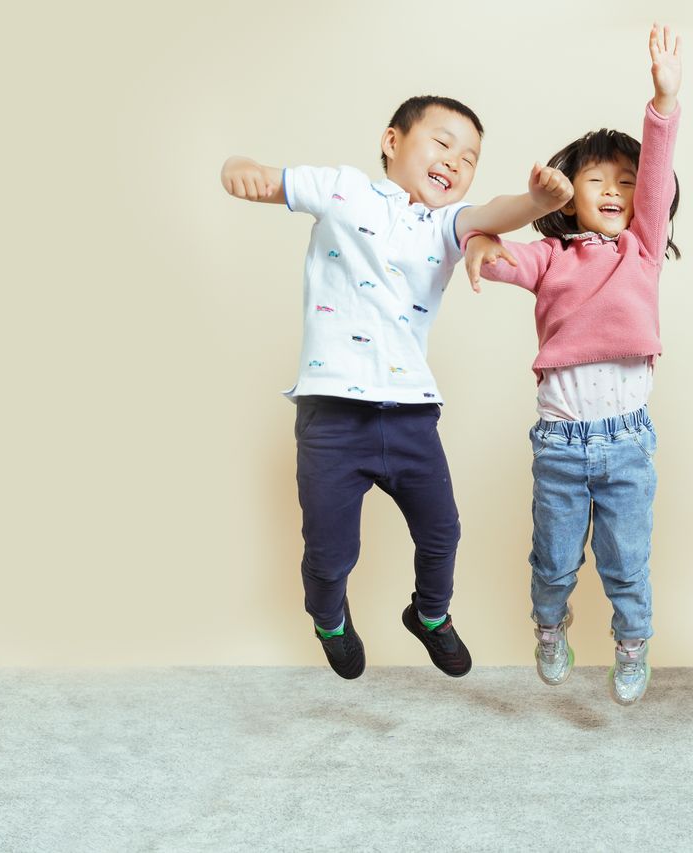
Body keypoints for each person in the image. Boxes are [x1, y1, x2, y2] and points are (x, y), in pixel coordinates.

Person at [220, 95, 573, 679]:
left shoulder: (445, 226)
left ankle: (430, 615)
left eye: (469, 158)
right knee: (330, 553)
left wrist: (535, 201)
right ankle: (329, 618)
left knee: (443, 532)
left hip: (411, 417)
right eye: (442, 143)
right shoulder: (342, 189)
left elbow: (492, 212)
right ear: (392, 141)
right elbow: (261, 175)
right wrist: (240, 166)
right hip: (332, 416)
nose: (454, 162)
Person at [461, 24, 681, 704]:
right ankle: (550, 625)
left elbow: (652, 182)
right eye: (596, 180)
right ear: (571, 195)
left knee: (626, 560)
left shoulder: (641, 249)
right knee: (554, 561)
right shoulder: (550, 257)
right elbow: (494, 252)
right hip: (560, 441)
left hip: (627, 440)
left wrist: (663, 103)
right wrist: (477, 242)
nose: (614, 191)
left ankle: (633, 642)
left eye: (625, 181)